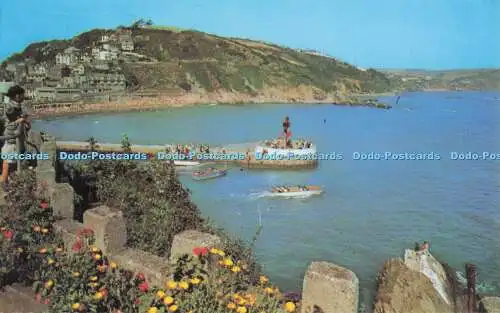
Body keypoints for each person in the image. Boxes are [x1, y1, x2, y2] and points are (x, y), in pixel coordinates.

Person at [1, 106, 23, 185]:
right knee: (10, 165)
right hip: (11, 147)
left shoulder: (7, 123)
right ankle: (4, 180)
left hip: (6, 146)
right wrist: (20, 122)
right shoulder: (14, 125)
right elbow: (18, 133)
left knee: (5, 164)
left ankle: (5, 179)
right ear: (16, 116)